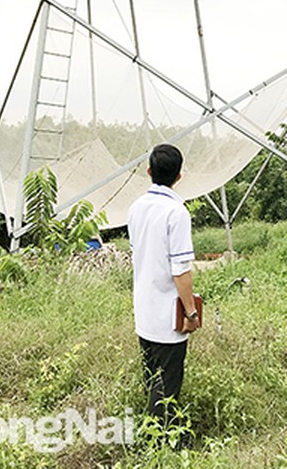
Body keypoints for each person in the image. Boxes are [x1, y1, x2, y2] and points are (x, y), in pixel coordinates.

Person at [127, 144, 200, 423]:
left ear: (149, 171)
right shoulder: (176, 212)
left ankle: (151, 432)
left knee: (151, 380)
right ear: (179, 176)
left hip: (144, 312)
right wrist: (191, 313)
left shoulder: (135, 209)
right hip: (169, 318)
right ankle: (160, 445)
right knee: (167, 388)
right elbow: (180, 271)